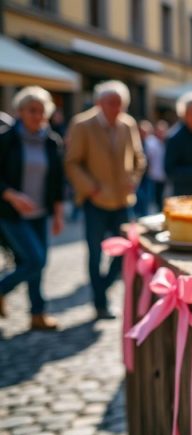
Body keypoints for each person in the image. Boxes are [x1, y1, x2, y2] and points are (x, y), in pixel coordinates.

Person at [65, 80, 145, 319]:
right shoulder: (82, 124)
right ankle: (100, 303)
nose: (116, 108)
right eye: (111, 103)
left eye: (120, 104)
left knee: (124, 252)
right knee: (95, 253)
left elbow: (139, 158)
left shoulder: (128, 124)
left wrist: (134, 178)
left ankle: (102, 289)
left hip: (122, 199)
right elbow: (72, 162)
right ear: (99, 102)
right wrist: (90, 188)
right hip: (95, 201)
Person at [0, 86, 65, 330]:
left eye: (41, 111)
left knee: (35, 265)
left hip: (40, 213)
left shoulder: (51, 141)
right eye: (31, 110)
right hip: (11, 213)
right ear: (20, 112)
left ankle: (37, 315)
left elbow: (57, 181)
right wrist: (12, 195)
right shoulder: (6, 139)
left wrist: (58, 215)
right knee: (35, 260)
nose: (37, 116)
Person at [144, 120, 168, 212]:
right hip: (152, 177)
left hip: (164, 177)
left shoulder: (167, 142)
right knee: (152, 201)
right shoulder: (150, 142)